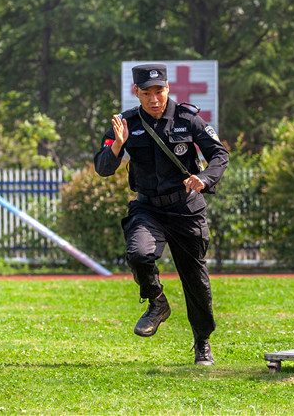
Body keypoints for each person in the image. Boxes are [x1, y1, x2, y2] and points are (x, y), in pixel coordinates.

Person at [94, 63, 229, 365]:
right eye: (147, 93)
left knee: (196, 282)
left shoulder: (187, 119)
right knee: (138, 254)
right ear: (136, 93)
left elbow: (220, 154)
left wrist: (205, 178)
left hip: (186, 209)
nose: (154, 99)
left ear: (168, 89)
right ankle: (157, 303)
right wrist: (117, 145)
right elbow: (102, 167)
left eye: (160, 91)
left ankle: (202, 342)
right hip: (148, 208)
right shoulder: (125, 124)